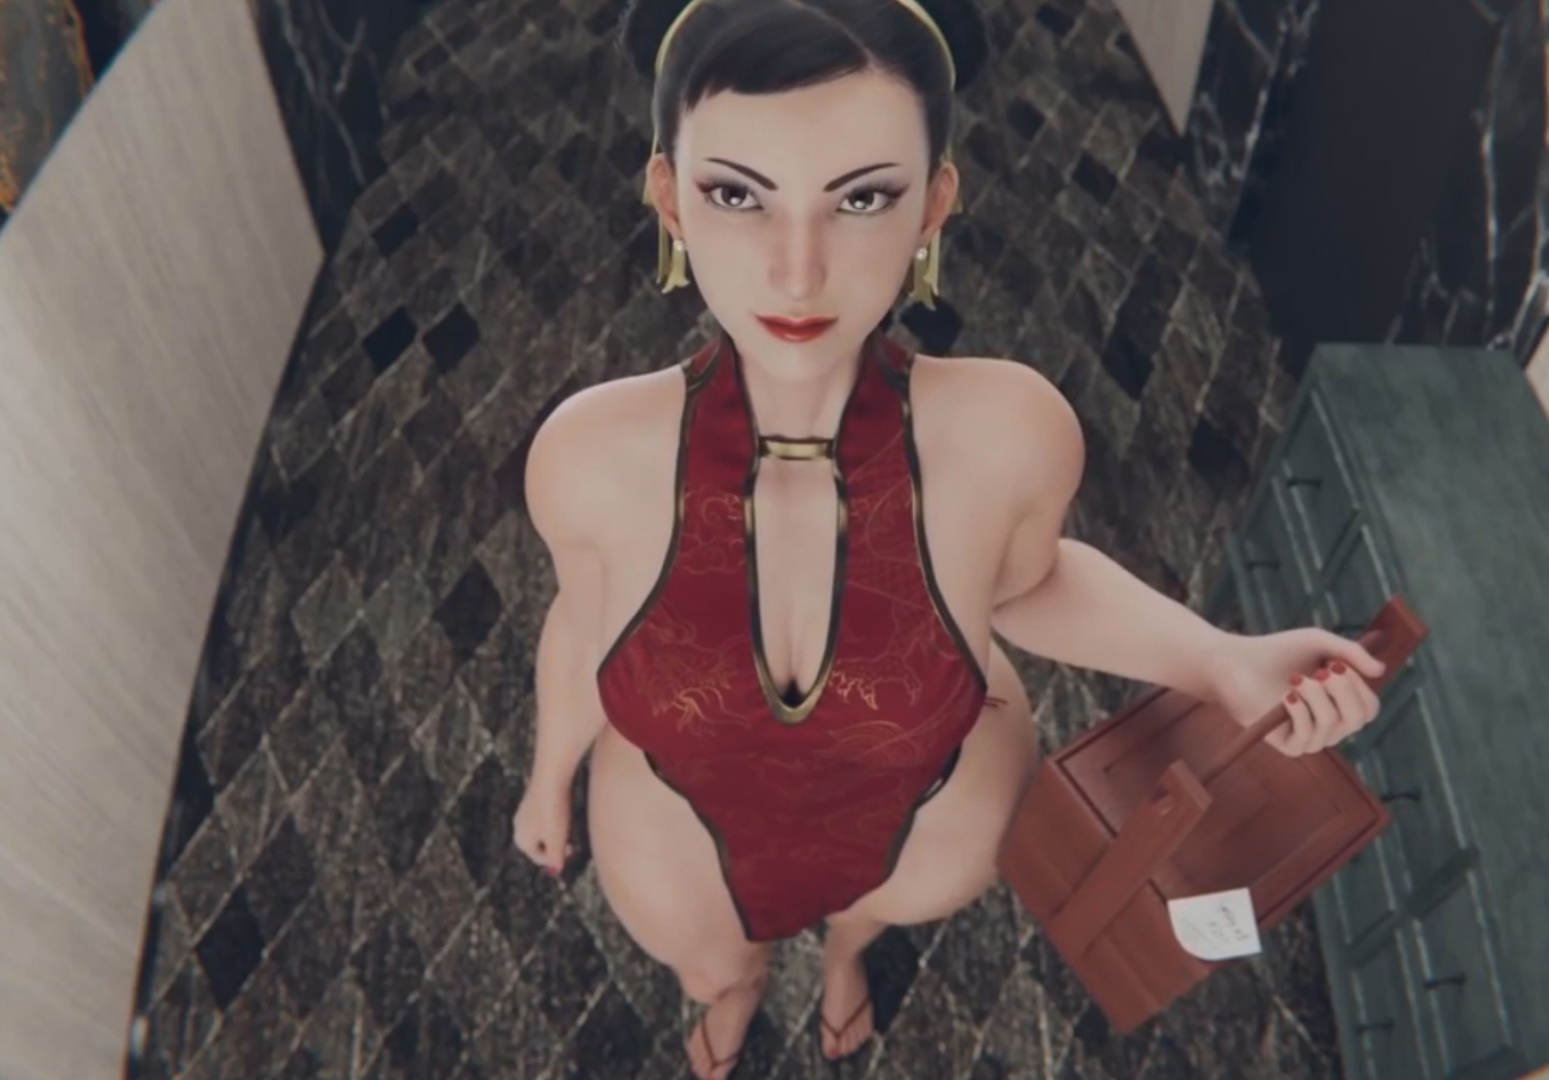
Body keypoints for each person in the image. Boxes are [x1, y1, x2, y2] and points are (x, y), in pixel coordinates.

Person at [510, 1, 1386, 1076]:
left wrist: (1220, 660)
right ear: (670, 199)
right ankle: (735, 994)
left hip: (927, 818)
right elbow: (583, 624)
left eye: (861, 198)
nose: (797, 272)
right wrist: (548, 776)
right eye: (737, 194)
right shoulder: (588, 456)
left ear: (933, 204)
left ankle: (846, 958)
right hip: (678, 829)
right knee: (710, 970)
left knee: (872, 916)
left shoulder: (1010, 432)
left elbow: (1026, 582)